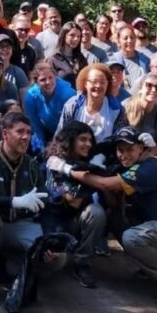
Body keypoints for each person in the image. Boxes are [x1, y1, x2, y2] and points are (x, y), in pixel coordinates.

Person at [65, 126, 157, 305]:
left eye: (130, 149)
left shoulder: (148, 168)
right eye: (120, 150)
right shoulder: (135, 166)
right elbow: (112, 202)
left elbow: (105, 184)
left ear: (141, 149)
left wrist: (68, 170)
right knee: (117, 220)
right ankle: (151, 266)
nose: (124, 154)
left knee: (132, 237)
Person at [0, 110, 62, 307]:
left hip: (19, 225)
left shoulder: (31, 165)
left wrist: (49, 239)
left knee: (56, 259)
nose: (26, 137)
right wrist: (13, 201)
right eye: (20, 132)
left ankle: (10, 266)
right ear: (5, 134)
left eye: (28, 132)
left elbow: (46, 206)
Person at [43, 121, 107, 288]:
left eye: (90, 140)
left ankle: (82, 263)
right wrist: (94, 181)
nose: (88, 144)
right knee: (52, 262)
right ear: (70, 140)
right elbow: (73, 200)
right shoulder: (55, 162)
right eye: (83, 139)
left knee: (96, 212)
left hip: (75, 222)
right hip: (53, 222)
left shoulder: (89, 164)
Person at [56, 64, 127, 143]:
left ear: (108, 84)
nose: (98, 85)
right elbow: (61, 136)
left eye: (102, 82)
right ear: (85, 83)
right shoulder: (73, 105)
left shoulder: (117, 109)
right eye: (94, 82)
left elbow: (119, 141)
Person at [23, 60, 76, 144]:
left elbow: (73, 124)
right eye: (43, 80)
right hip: (46, 132)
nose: (48, 82)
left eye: (50, 77)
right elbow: (34, 125)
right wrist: (42, 149)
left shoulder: (68, 94)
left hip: (68, 132)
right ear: (36, 82)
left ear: (55, 77)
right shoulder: (31, 96)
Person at [122, 74, 157, 158]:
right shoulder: (125, 107)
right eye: (149, 85)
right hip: (125, 154)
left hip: (147, 156)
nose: (154, 90)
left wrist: (149, 153)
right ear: (140, 89)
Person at [49, 22, 89, 88]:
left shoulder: (81, 58)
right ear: (64, 35)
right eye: (72, 35)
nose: (76, 39)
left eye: (78, 36)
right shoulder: (53, 59)